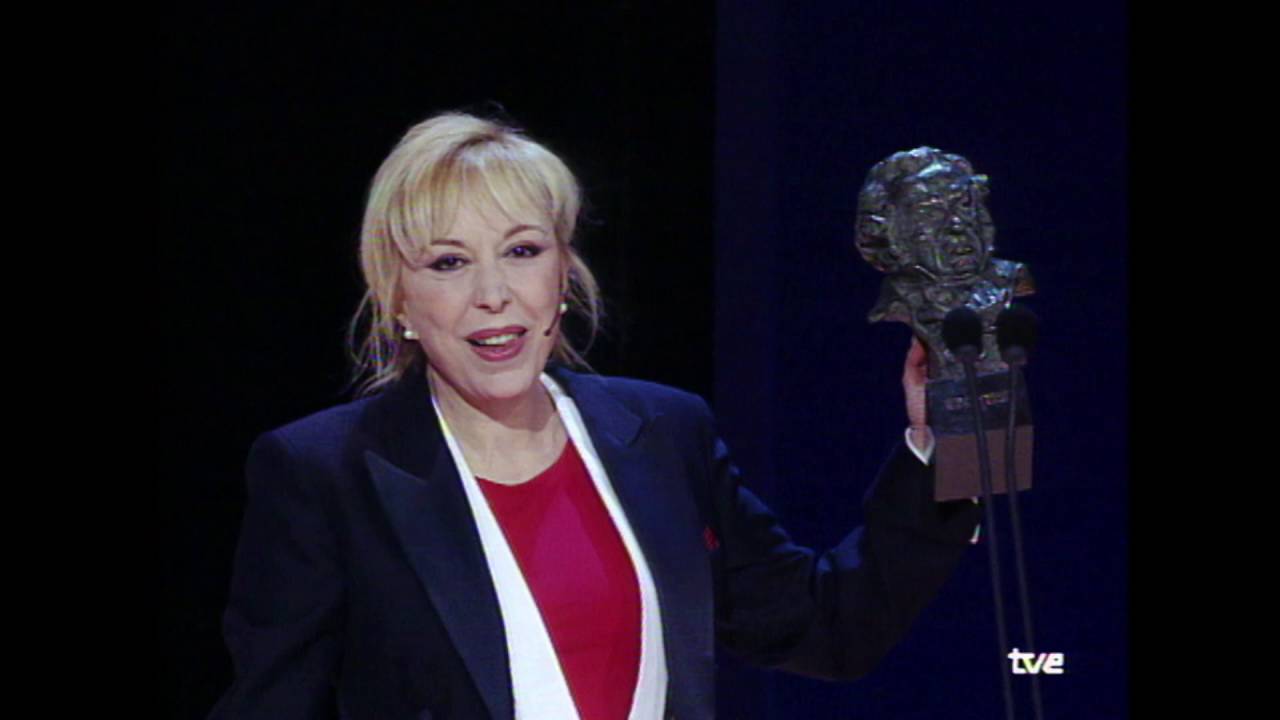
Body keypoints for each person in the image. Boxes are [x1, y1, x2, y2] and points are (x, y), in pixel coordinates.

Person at [209, 112, 982, 720]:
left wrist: (942, 447)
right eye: (448, 262)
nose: (493, 294)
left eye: (522, 251)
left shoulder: (663, 432)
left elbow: (824, 628)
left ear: (563, 274)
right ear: (399, 300)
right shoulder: (323, 473)